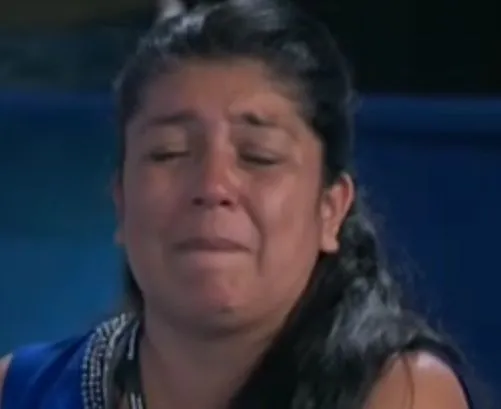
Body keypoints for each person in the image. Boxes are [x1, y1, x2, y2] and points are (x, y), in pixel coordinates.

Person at [0, 0, 474, 408]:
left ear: (331, 210)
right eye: (169, 153)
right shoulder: (20, 391)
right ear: (121, 202)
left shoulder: (403, 393)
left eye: (258, 156)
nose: (212, 185)